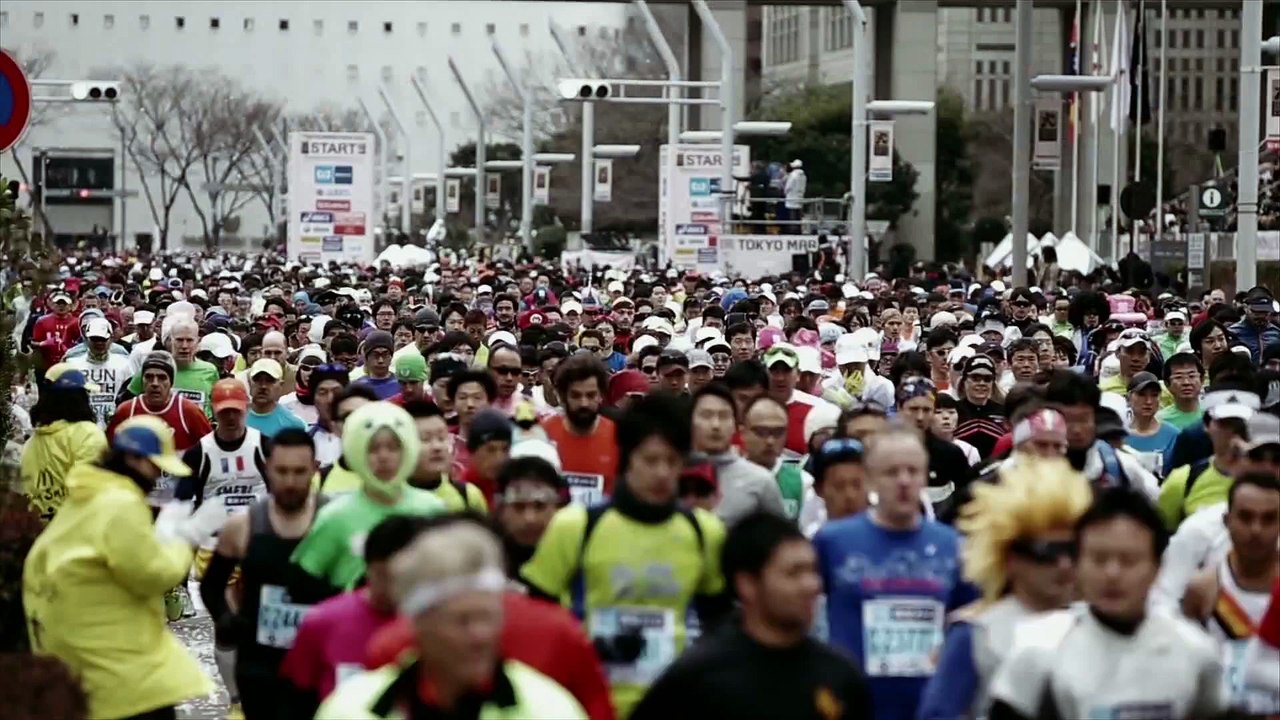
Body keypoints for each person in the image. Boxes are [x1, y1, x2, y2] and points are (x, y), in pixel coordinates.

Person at [520, 393, 728, 718]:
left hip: (674, 703)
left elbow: (720, 624)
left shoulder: (706, 532)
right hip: (588, 704)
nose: (662, 472)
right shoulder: (576, 526)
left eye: (672, 461)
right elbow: (537, 619)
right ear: (628, 458)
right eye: (651, 460)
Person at [22, 415, 215, 720]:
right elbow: (154, 574)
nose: (157, 476)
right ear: (134, 458)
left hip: (76, 657)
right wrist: (183, 538)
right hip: (120, 677)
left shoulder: (87, 497)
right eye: (155, 465)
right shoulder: (121, 503)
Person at [987, 488, 1227, 720]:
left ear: (1157, 568)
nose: (1112, 573)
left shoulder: (1194, 650)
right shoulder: (1038, 651)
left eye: (1129, 560)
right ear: (1077, 564)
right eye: (1099, 559)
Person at [315, 516, 588, 720]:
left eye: (488, 617)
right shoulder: (352, 711)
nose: (480, 634)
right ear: (418, 624)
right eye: (462, 621)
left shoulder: (549, 710)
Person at [632, 512, 874, 720]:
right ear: (747, 584)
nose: (810, 585)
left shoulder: (839, 675)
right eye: (793, 574)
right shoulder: (699, 678)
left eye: (812, 571)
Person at [812, 427, 975, 720]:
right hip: (852, 705)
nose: (903, 481)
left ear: (925, 476)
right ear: (871, 480)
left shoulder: (952, 546)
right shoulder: (832, 541)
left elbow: (969, 623)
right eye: (891, 472)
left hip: (929, 705)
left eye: (913, 471)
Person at [918, 458, 1093, 720]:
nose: (1064, 565)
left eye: (1073, 550)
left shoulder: (1094, 625)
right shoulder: (976, 634)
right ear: (1010, 557)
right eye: (1047, 552)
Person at [199, 428, 325, 720]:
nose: (290, 482)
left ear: (314, 469)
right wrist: (229, 622)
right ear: (267, 468)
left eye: (299, 472)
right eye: (281, 471)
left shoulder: (331, 521)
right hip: (260, 664)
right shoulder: (242, 526)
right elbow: (211, 587)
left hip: (316, 660)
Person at [290, 402, 447, 591]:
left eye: (393, 447)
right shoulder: (335, 516)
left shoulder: (433, 510)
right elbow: (304, 582)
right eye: (373, 448)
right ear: (357, 452)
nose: (383, 457)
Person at [1178, 472, 1279, 708]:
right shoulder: (1201, 589)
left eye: (1268, 519)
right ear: (1226, 521)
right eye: (1245, 517)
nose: (1256, 529)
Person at [688, 384, 785, 526]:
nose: (716, 425)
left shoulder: (760, 481)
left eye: (724, 416)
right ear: (690, 421)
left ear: (735, 425)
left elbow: (779, 540)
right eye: (706, 415)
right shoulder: (672, 475)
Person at [20, 365, 108, 521]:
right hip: (76, 535)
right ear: (81, 398)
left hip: (37, 535)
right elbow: (92, 492)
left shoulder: (29, 444)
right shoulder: (89, 435)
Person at [1157, 394, 1257, 531]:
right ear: (1207, 426)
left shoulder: (1271, 476)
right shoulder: (1182, 480)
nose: (1233, 432)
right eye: (1224, 423)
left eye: (1240, 425)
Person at [541, 353, 619, 504]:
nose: (584, 403)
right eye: (576, 395)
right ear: (563, 397)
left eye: (590, 395)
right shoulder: (544, 434)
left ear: (600, 396)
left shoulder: (618, 437)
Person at [403, 399, 488, 511]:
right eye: (425, 439)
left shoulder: (467, 496)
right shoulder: (390, 501)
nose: (437, 447)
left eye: (441, 438)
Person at [64, 317, 134, 427]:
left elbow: (130, 396)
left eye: (103, 339)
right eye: (94, 339)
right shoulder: (72, 365)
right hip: (82, 427)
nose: (99, 343)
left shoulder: (124, 364)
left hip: (115, 425)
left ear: (111, 338)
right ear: (87, 339)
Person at [1124, 371, 1182, 478]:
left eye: (1154, 395)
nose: (1148, 401)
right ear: (1129, 397)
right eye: (1141, 395)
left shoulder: (1173, 435)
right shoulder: (1118, 435)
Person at [245, 359, 307, 438]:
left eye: (270, 380)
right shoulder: (236, 418)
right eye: (257, 380)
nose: (263, 386)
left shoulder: (294, 425)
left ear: (281, 385)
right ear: (250, 383)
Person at [1158, 350, 1205, 431]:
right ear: (1167, 384)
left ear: (1202, 380)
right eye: (1178, 377)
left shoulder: (1213, 416)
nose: (1186, 382)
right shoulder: (1159, 421)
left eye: (1192, 376)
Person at [350, 330, 401, 400]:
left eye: (385, 355)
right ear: (367, 357)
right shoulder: (357, 388)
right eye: (375, 355)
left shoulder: (402, 385)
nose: (380, 360)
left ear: (391, 356)